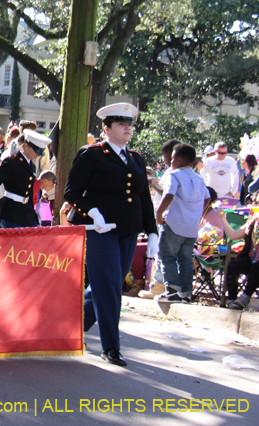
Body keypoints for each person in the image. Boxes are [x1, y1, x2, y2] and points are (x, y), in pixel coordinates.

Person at [65, 103, 158, 367]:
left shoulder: (136, 158)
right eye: (121, 124)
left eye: (130, 124)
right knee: (108, 287)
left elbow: (143, 199)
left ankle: (69, 327)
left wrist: (152, 233)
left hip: (127, 231)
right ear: (106, 128)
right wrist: (92, 213)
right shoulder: (91, 155)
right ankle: (111, 347)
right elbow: (71, 193)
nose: (128, 128)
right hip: (99, 230)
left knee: (111, 285)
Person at [153, 143, 210, 304]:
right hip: (191, 227)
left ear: (178, 160)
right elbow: (208, 197)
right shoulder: (198, 178)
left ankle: (172, 290)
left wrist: (159, 213)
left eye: (171, 159)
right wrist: (198, 214)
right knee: (185, 259)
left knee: (167, 256)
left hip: (173, 223)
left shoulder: (174, 175)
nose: (170, 162)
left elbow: (168, 194)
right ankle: (186, 292)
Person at [0, 130, 52, 229]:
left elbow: (28, 193)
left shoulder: (31, 166)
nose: (38, 155)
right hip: (10, 212)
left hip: (26, 213)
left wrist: (34, 219)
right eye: (36, 150)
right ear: (26, 146)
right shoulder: (11, 162)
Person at [220, 214, 259, 310]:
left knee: (256, 266)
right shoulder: (254, 221)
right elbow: (233, 235)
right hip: (253, 259)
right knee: (233, 265)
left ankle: (245, 297)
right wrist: (223, 219)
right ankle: (231, 299)